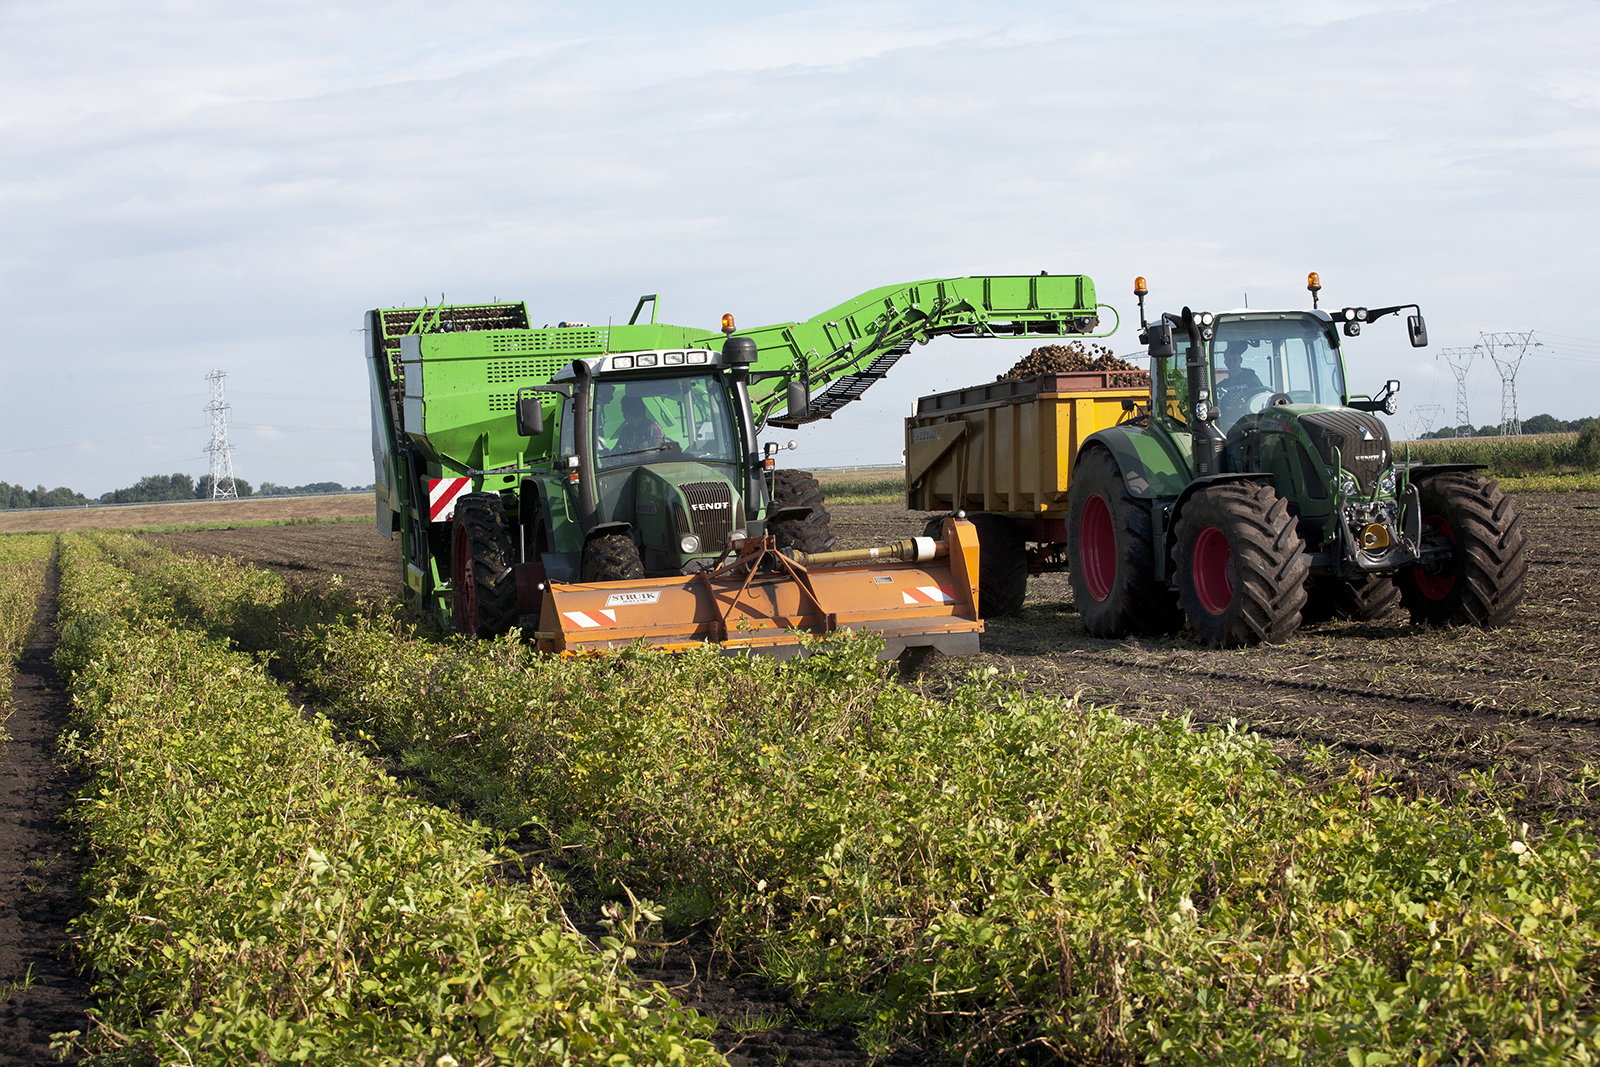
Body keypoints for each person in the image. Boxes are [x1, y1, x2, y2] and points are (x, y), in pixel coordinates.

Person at [1215, 343, 1267, 424]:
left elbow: (1261, 396)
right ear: (1225, 363)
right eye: (1229, 360)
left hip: (1250, 421)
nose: (1232, 363)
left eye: (1234, 359)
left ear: (1240, 360)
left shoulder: (1252, 380)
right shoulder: (1222, 386)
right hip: (1228, 424)